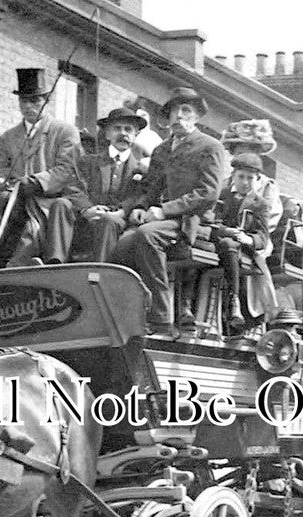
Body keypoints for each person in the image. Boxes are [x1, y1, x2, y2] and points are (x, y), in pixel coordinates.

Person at [112, 86, 226, 338]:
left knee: (146, 236)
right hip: (162, 218)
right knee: (121, 242)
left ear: (197, 116)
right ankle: (128, 311)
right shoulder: (162, 149)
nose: (179, 116)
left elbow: (208, 193)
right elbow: (152, 186)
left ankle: (161, 317)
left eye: (185, 110)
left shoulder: (210, 147)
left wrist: (164, 211)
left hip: (193, 220)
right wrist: (142, 208)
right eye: (174, 111)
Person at [0, 67, 82, 266]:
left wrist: (35, 182)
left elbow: (66, 169)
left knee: (31, 225)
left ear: (47, 101)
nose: (29, 106)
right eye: (24, 101)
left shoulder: (65, 132)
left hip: (50, 199)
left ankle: (20, 265)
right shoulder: (8, 137)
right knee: (4, 200)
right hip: (15, 200)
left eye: (35, 100)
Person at [199, 152, 272, 335]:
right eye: (241, 177)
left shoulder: (260, 204)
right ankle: (231, 304)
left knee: (230, 246)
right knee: (225, 243)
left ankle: (234, 301)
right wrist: (226, 231)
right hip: (216, 240)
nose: (245, 182)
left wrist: (249, 239)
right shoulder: (221, 195)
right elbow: (209, 221)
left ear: (257, 180)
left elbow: (263, 237)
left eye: (250, 178)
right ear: (233, 176)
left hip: (242, 248)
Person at [63, 108, 146, 262]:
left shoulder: (141, 169)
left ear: (136, 135)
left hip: (119, 223)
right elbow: (73, 187)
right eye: (117, 128)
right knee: (61, 204)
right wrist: (87, 208)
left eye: (128, 129)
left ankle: (99, 273)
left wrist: (122, 212)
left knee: (108, 222)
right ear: (107, 134)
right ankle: (56, 264)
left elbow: (140, 195)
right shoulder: (88, 162)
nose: (123, 133)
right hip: (87, 220)